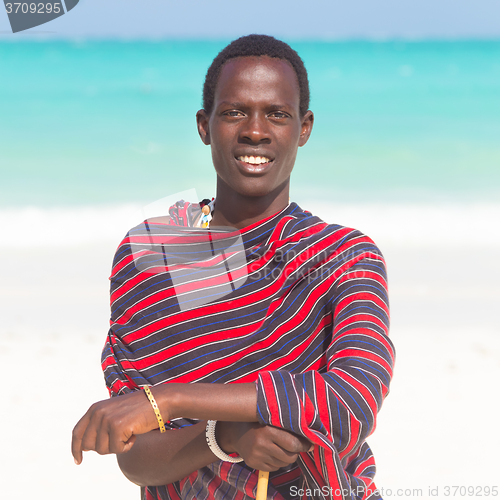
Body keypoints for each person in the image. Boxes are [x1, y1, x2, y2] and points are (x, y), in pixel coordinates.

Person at [72, 34, 395, 500]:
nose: (255, 131)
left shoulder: (342, 255)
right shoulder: (150, 254)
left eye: (277, 114)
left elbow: (348, 406)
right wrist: (224, 437)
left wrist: (170, 399)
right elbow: (137, 455)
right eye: (234, 112)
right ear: (204, 125)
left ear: (304, 128)